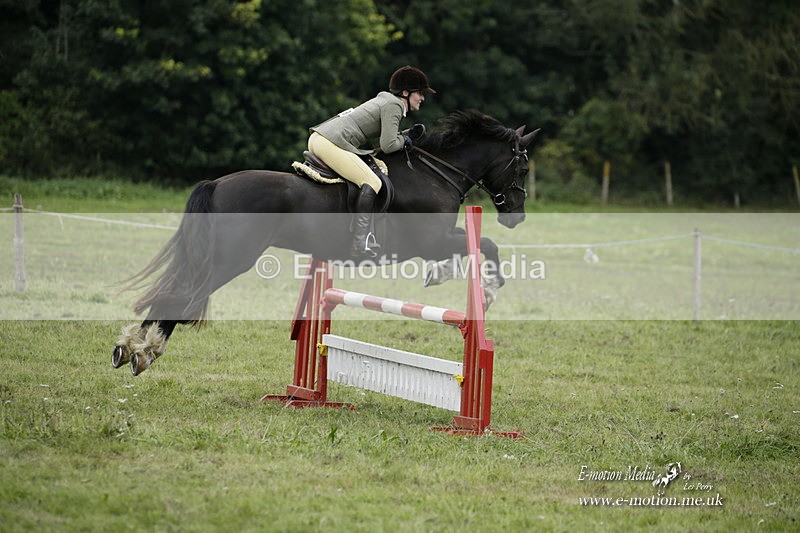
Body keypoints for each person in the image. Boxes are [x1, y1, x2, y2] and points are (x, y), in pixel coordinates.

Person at [308, 66, 435, 258]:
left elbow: (386, 140)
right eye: (420, 93)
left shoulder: (386, 100)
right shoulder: (395, 105)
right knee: (373, 181)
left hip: (321, 138)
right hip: (329, 142)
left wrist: (407, 135)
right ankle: (360, 242)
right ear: (406, 93)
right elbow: (389, 145)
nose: (423, 98)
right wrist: (406, 141)